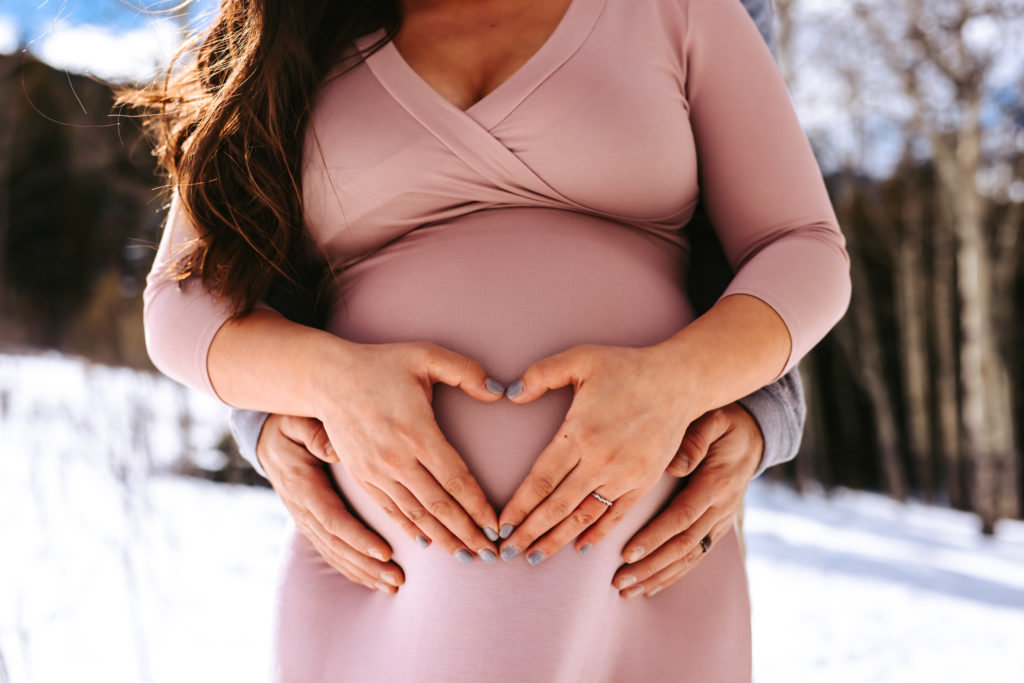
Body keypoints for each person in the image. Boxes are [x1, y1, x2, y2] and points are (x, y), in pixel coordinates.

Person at [138, 0, 851, 679]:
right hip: (384, 592)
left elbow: (802, 247)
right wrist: (325, 380)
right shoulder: (286, 32)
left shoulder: (681, 10)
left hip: (637, 585)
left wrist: (683, 379)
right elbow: (183, 301)